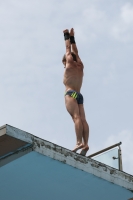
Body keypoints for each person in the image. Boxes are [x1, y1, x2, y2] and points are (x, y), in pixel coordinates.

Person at [62, 28, 89, 156]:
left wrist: (66, 35)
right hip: (79, 95)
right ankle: (86, 143)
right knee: (83, 119)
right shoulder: (80, 65)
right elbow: (75, 51)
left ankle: (78, 142)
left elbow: (68, 49)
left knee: (76, 118)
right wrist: (73, 37)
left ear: (65, 61)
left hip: (71, 93)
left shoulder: (69, 63)